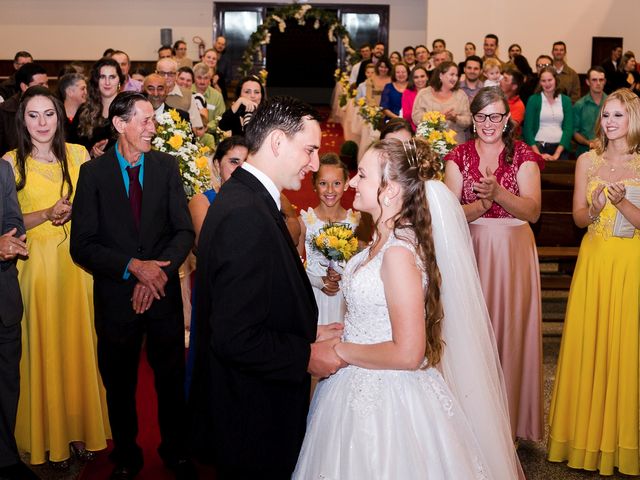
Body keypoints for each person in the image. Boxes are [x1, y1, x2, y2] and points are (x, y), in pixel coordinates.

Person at [294, 137, 523, 479]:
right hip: (353, 386)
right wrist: (341, 331)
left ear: (389, 190)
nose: (353, 181)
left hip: (390, 399)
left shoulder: (399, 254)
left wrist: (341, 349)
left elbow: (409, 353)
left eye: (364, 175)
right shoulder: (379, 243)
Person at [188, 96, 345, 479]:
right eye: (309, 150)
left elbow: (259, 297)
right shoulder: (245, 212)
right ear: (277, 142)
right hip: (251, 413)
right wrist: (305, 354)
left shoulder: (249, 196)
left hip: (253, 399)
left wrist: (308, 329)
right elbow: (234, 336)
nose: (313, 164)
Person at [70, 91, 195, 480]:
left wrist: (155, 272)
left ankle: (174, 450)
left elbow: (183, 230)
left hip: (162, 294)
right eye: (144, 120)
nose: (152, 128)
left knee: (171, 378)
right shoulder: (93, 174)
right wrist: (132, 267)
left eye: (153, 121)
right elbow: (82, 244)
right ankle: (127, 455)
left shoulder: (167, 167)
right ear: (120, 124)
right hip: (116, 296)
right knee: (120, 382)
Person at [3, 86, 110, 467]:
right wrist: (47, 213)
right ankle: (47, 438)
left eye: (48, 113)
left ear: (58, 116)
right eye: (33, 115)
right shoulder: (11, 163)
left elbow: (98, 206)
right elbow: (9, 222)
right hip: (36, 267)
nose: (42, 123)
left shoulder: (79, 155)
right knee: (44, 349)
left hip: (77, 267)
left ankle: (78, 431)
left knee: (78, 346)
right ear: (22, 120)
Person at [547, 88, 640, 476]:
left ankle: (620, 443)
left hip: (629, 262)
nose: (610, 122)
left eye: (618, 116)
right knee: (589, 343)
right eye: (606, 115)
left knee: (623, 347)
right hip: (594, 259)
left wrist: (621, 203)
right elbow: (579, 219)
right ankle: (582, 439)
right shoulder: (587, 160)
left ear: (633, 120)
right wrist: (598, 206)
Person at [444, 86, 544, 442]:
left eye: (496, 116)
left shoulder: (524, 157)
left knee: (510, 333)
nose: (489, 123)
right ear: (472, 119)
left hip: (514, 251)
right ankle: (470, 423)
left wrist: (499, 194)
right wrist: (480, 207)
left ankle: (511, 423)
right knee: (470, 332)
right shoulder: (457, 156)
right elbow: (449, 213)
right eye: (482, 116)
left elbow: (532, 211)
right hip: (470, 249)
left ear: (507, 119)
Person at [0, 148, 36, 480]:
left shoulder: (2, 169)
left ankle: (6, 460)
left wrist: (11, 239)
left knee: (8, 382)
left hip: (5, 298)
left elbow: (13, 217)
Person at [298, 153, 360, 325]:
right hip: (314, 294)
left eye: (337, 183)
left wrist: (342, 273)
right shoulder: (303, 222)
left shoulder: (356, 222)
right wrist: (319, 282)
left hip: (344, 297)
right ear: (314, 185)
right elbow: (293, 267)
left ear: (347, 184)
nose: (330, 190)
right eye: (323, 183)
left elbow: (362, 265)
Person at [73, 57, 124, 158]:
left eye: (112, 77)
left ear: (119, 80)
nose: (107, 82)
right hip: (89, 168)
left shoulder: (128, 109)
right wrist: (91, 153)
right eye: (102, 77)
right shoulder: (84, 111)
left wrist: (111, 156)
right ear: (96, 80)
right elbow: (72, 147)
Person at [412, 61, 472, 143]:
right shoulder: (424, 94)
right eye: (451, 74)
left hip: (455, 145)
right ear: (440, 75)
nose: (455, 78)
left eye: (457, 75)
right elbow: (416, 118)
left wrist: (455, 118)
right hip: (428, 144)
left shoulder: (461, 95)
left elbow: (468, 120)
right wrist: (437, 116)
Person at [523, 66, 574, 161]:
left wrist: (557, 154)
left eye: (550, 80)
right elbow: (527, 130)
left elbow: (568, 128)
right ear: (540, 82)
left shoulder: (566, 100)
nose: (547, 84)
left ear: (556, 80)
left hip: (560, 148)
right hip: (538, 147)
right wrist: (538, 155)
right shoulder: (533, 100)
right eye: (543, 81)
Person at [573, 66, 607, 156]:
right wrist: (588, 143)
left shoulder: (612, 104)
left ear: (605, 81)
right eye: (594, 80)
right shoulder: (579, 105)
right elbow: (575, 132)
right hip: (585, 152)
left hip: (608, 152)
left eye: (601, 80)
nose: (598, 83)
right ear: (588, 82)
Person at [402, 66, 428, 131]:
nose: (419, 80)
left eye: (422, 76)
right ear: (412, 79)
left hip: (432, 129)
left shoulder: (433, 91)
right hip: (413, 129)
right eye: (416, 77)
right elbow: (406, 116)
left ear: (427, 77)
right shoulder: (407, 93)